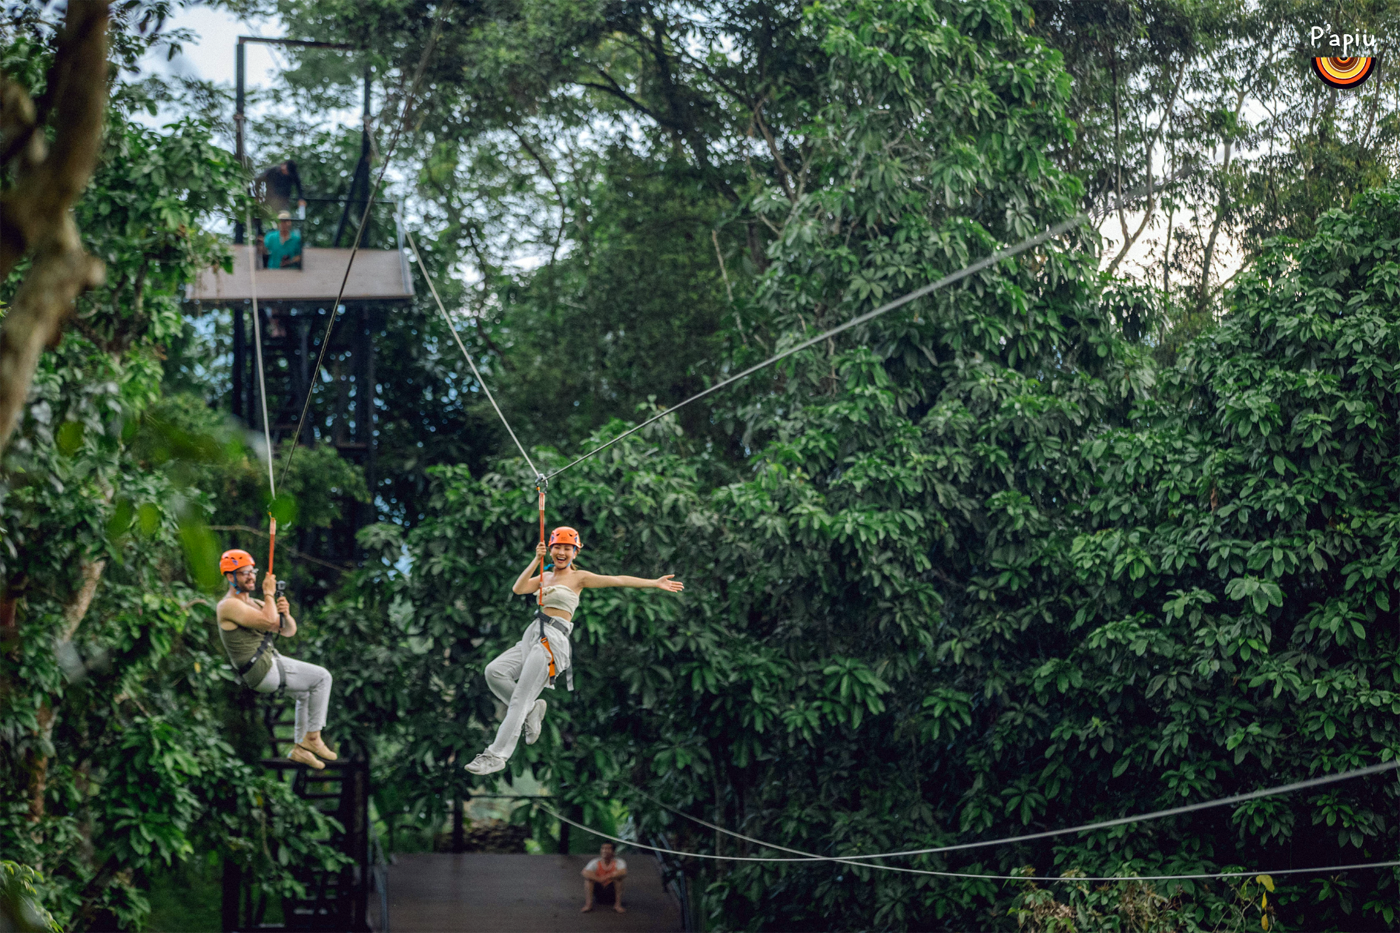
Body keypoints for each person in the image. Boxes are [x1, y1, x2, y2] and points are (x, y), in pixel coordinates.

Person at [463, 527, 684, 775]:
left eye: (568, 548)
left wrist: (655, 583)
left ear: (575, 553)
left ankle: (496, 756)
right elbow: (518, 588)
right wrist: (536, 560)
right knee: (494, 671)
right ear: (550, 550)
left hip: (553, 640)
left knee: (519, 700)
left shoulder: (579, 578)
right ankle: (531, 711)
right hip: (533, 633)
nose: (562, 552)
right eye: (558, 547)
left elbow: (618, 580)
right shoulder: (544, 576)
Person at [215, 549, 337, 770]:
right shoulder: (228, 606)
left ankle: (301, 748)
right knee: (322, 677)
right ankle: (313, 737)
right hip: (261, 669)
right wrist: (269, 594)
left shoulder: (255, 604)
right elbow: (269, 621)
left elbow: (288, 630)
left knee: (305, 692)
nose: (251, 577)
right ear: (229, 577)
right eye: (243, 573)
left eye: (252, 572)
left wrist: (286, 614)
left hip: (269, 665)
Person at [581, 842, 628, 913]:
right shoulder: (595, 862)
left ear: (613, 852)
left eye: (608, 849)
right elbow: (584, 872)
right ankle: (588, 904)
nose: (604, 851)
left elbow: (623, 872)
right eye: (603, 848)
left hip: (611, 892)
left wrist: (607, 877)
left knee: (618, 879)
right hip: (599, 890)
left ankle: (617, 905)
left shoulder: (619, 862)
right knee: (588, 880)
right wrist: (599, 879)